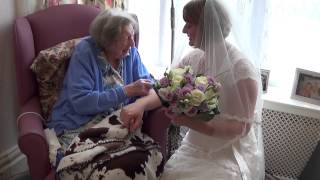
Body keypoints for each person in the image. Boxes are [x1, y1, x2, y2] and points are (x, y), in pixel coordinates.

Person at [47, 8, 163, 179]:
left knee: (147, 159)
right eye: (127, 37)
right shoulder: (85, 52)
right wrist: (128, 90)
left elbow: (153, 88)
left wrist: (140, 104)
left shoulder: (130, 54)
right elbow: (81, 102)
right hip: (79, 126)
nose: (132, 43)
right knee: (111, 172)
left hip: (116, 125)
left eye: (133, 36)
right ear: (108, 40)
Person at [161, 0, 265, 179]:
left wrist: (188, 121)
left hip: (227, 152)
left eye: (189, 24)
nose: (184, 30)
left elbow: (241, 128)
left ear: (208, 26)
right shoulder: (192, 59)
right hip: (195, 145)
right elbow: (165, 89)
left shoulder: (241, 69)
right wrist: (138, 106)